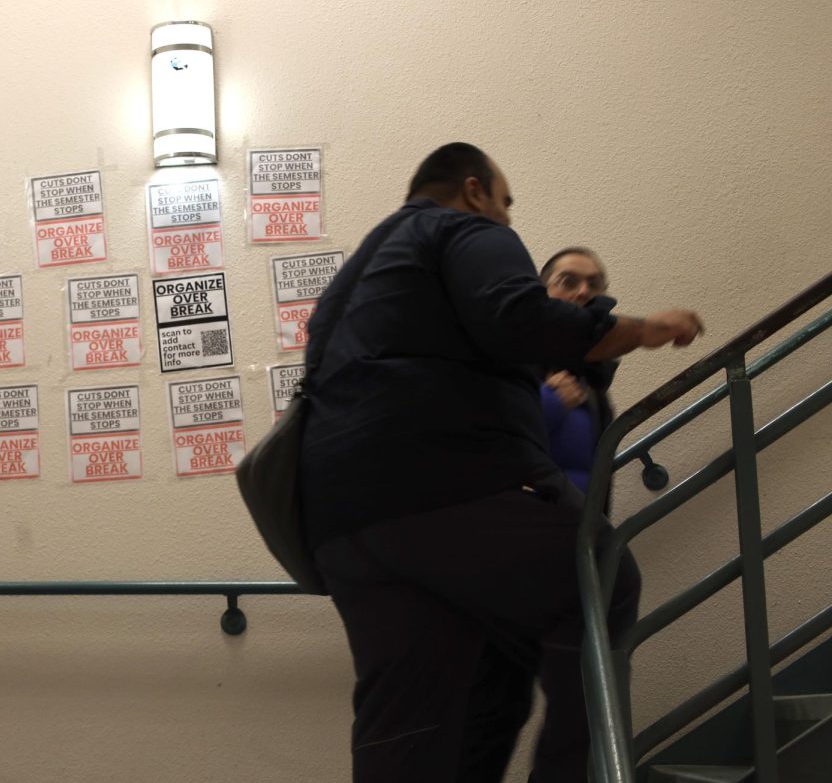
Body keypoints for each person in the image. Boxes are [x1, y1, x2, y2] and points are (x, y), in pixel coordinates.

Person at [299, 143, 703, 782]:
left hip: (342, 523)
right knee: (601, 575)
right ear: (474, 190)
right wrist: (644, 327)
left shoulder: (355, 279)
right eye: (505, 202)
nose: (508, 220)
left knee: (425, 707)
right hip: (440, 487)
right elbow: (519, 319)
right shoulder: (462, 227)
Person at [539, 247, 618, 495]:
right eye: (568, 281)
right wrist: (549, 403)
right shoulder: (508, 357)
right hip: (517, 525)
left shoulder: (594, 379)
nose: (583, 291)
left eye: (594, 284)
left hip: (580, 527)